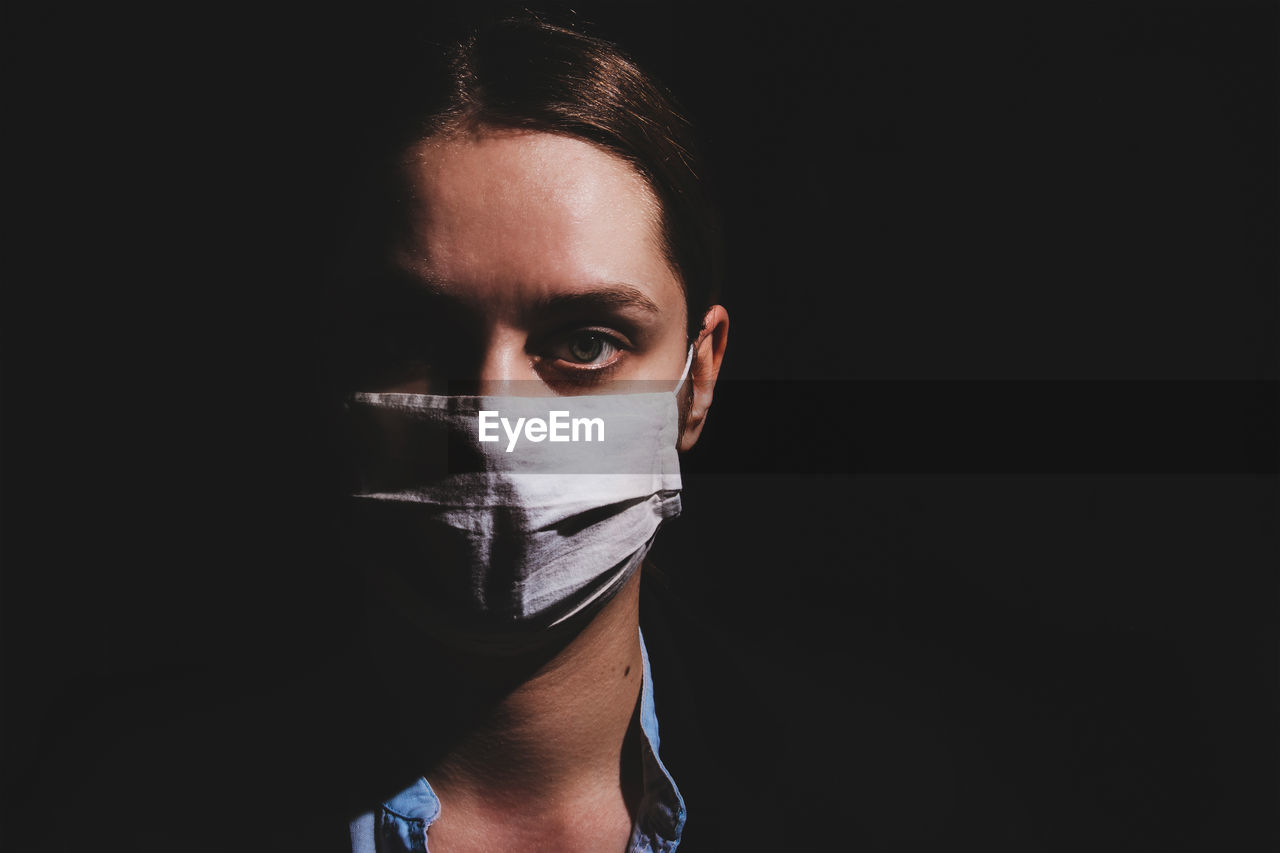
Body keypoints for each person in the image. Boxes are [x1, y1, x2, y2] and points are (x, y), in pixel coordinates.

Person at [327, 14, 732, 853]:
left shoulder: (893, 801)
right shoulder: (114, 808)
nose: (495, 425)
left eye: (586, 343)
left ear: (696, 381)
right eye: (415, 339)